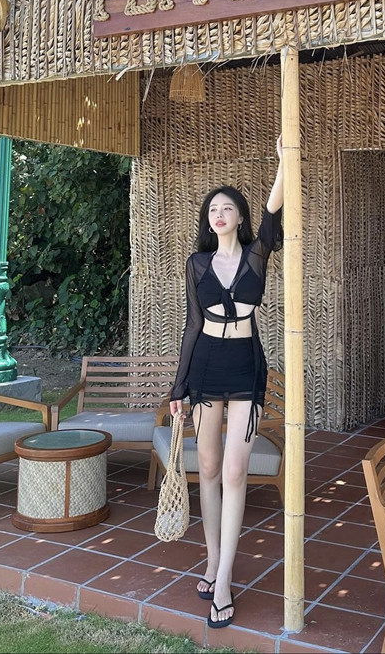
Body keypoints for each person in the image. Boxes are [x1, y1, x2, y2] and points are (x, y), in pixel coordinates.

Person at [169, 135, 284, 630]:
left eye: (227, 208)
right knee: (210, 468)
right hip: (205, 366)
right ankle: (212, 560)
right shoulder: (197, 264)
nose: (218, 214)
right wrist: (178, 388)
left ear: (239, 217)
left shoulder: (257, 254)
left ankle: (224, 581)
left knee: (236, 471)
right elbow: (191, 326)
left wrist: (282, 160)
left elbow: (274, 214)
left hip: (245, 366)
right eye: (212, 209)